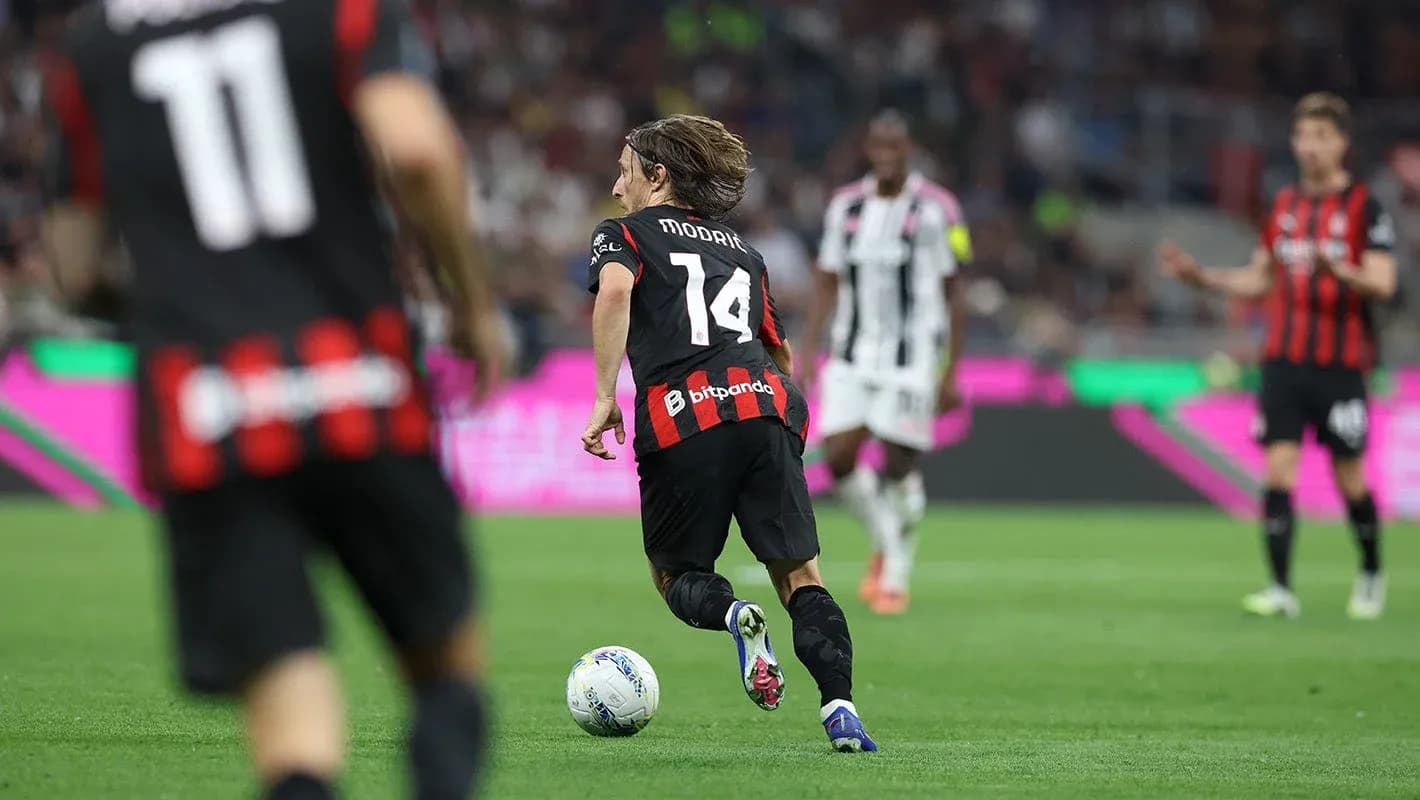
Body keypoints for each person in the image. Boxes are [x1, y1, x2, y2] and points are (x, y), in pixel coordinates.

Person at [41, 1, 506, 797]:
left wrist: (168, 301)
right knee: (442, 663)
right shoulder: (344, 12)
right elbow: (420, 151)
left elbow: (76, 262)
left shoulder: (91, 49)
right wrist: (470, 305)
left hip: (204, 407)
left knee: (292, 715)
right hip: (359, 381)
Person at [580, 114, 877, 753]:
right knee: (802, 578)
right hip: (765, 408)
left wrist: (606, 396)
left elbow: (613, 295)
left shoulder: (623, 236)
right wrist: (772, 410)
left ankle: (734, 616)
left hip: (685, 417)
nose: (615, 187)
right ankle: (840, 708)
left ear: (657, 177)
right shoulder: (742, 251)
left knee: (676, 574)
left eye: (626, 172)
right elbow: (782, 354)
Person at [1159, 92, 1396, 620]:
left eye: (1321, 137)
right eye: (1303, 136)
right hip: (1283, 363)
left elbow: (1384, 282)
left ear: (1342, 144)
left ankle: (1372, 571)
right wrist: (1203, 278)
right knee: (1278, 471)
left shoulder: (1364, 207)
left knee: (1349, 478)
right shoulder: (1285, 205)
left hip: (1340, 366)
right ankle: (1282, 589)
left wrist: (1343, 274)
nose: (1310, 147)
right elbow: (1258, 277)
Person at [797, 110, 971, 615]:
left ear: (908, 149)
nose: (887, 155)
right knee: (839, 458)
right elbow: (827, 279)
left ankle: (893, 563)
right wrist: (807, 352)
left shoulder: (939, 209)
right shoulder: (845, 206)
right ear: (868, 149)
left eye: (895, 146)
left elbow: (955, 288)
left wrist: (951, 369)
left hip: (911, 354)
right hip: (852, 353)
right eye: (879, 146)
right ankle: (891, 555)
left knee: (898, 463)